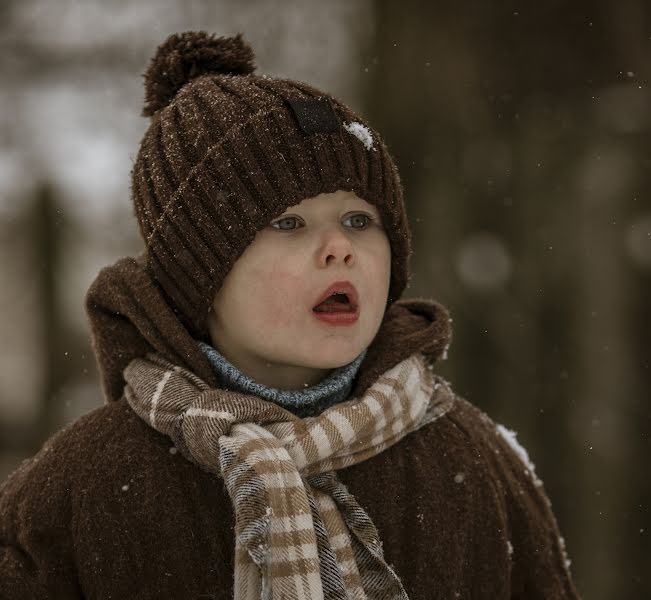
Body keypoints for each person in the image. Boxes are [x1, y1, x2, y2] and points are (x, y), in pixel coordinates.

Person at [0, 31, 581, 599]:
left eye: (359, 220)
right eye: (288, 223)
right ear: (198, 275)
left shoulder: (471, 463)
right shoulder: (84, 488)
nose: (340, 247)